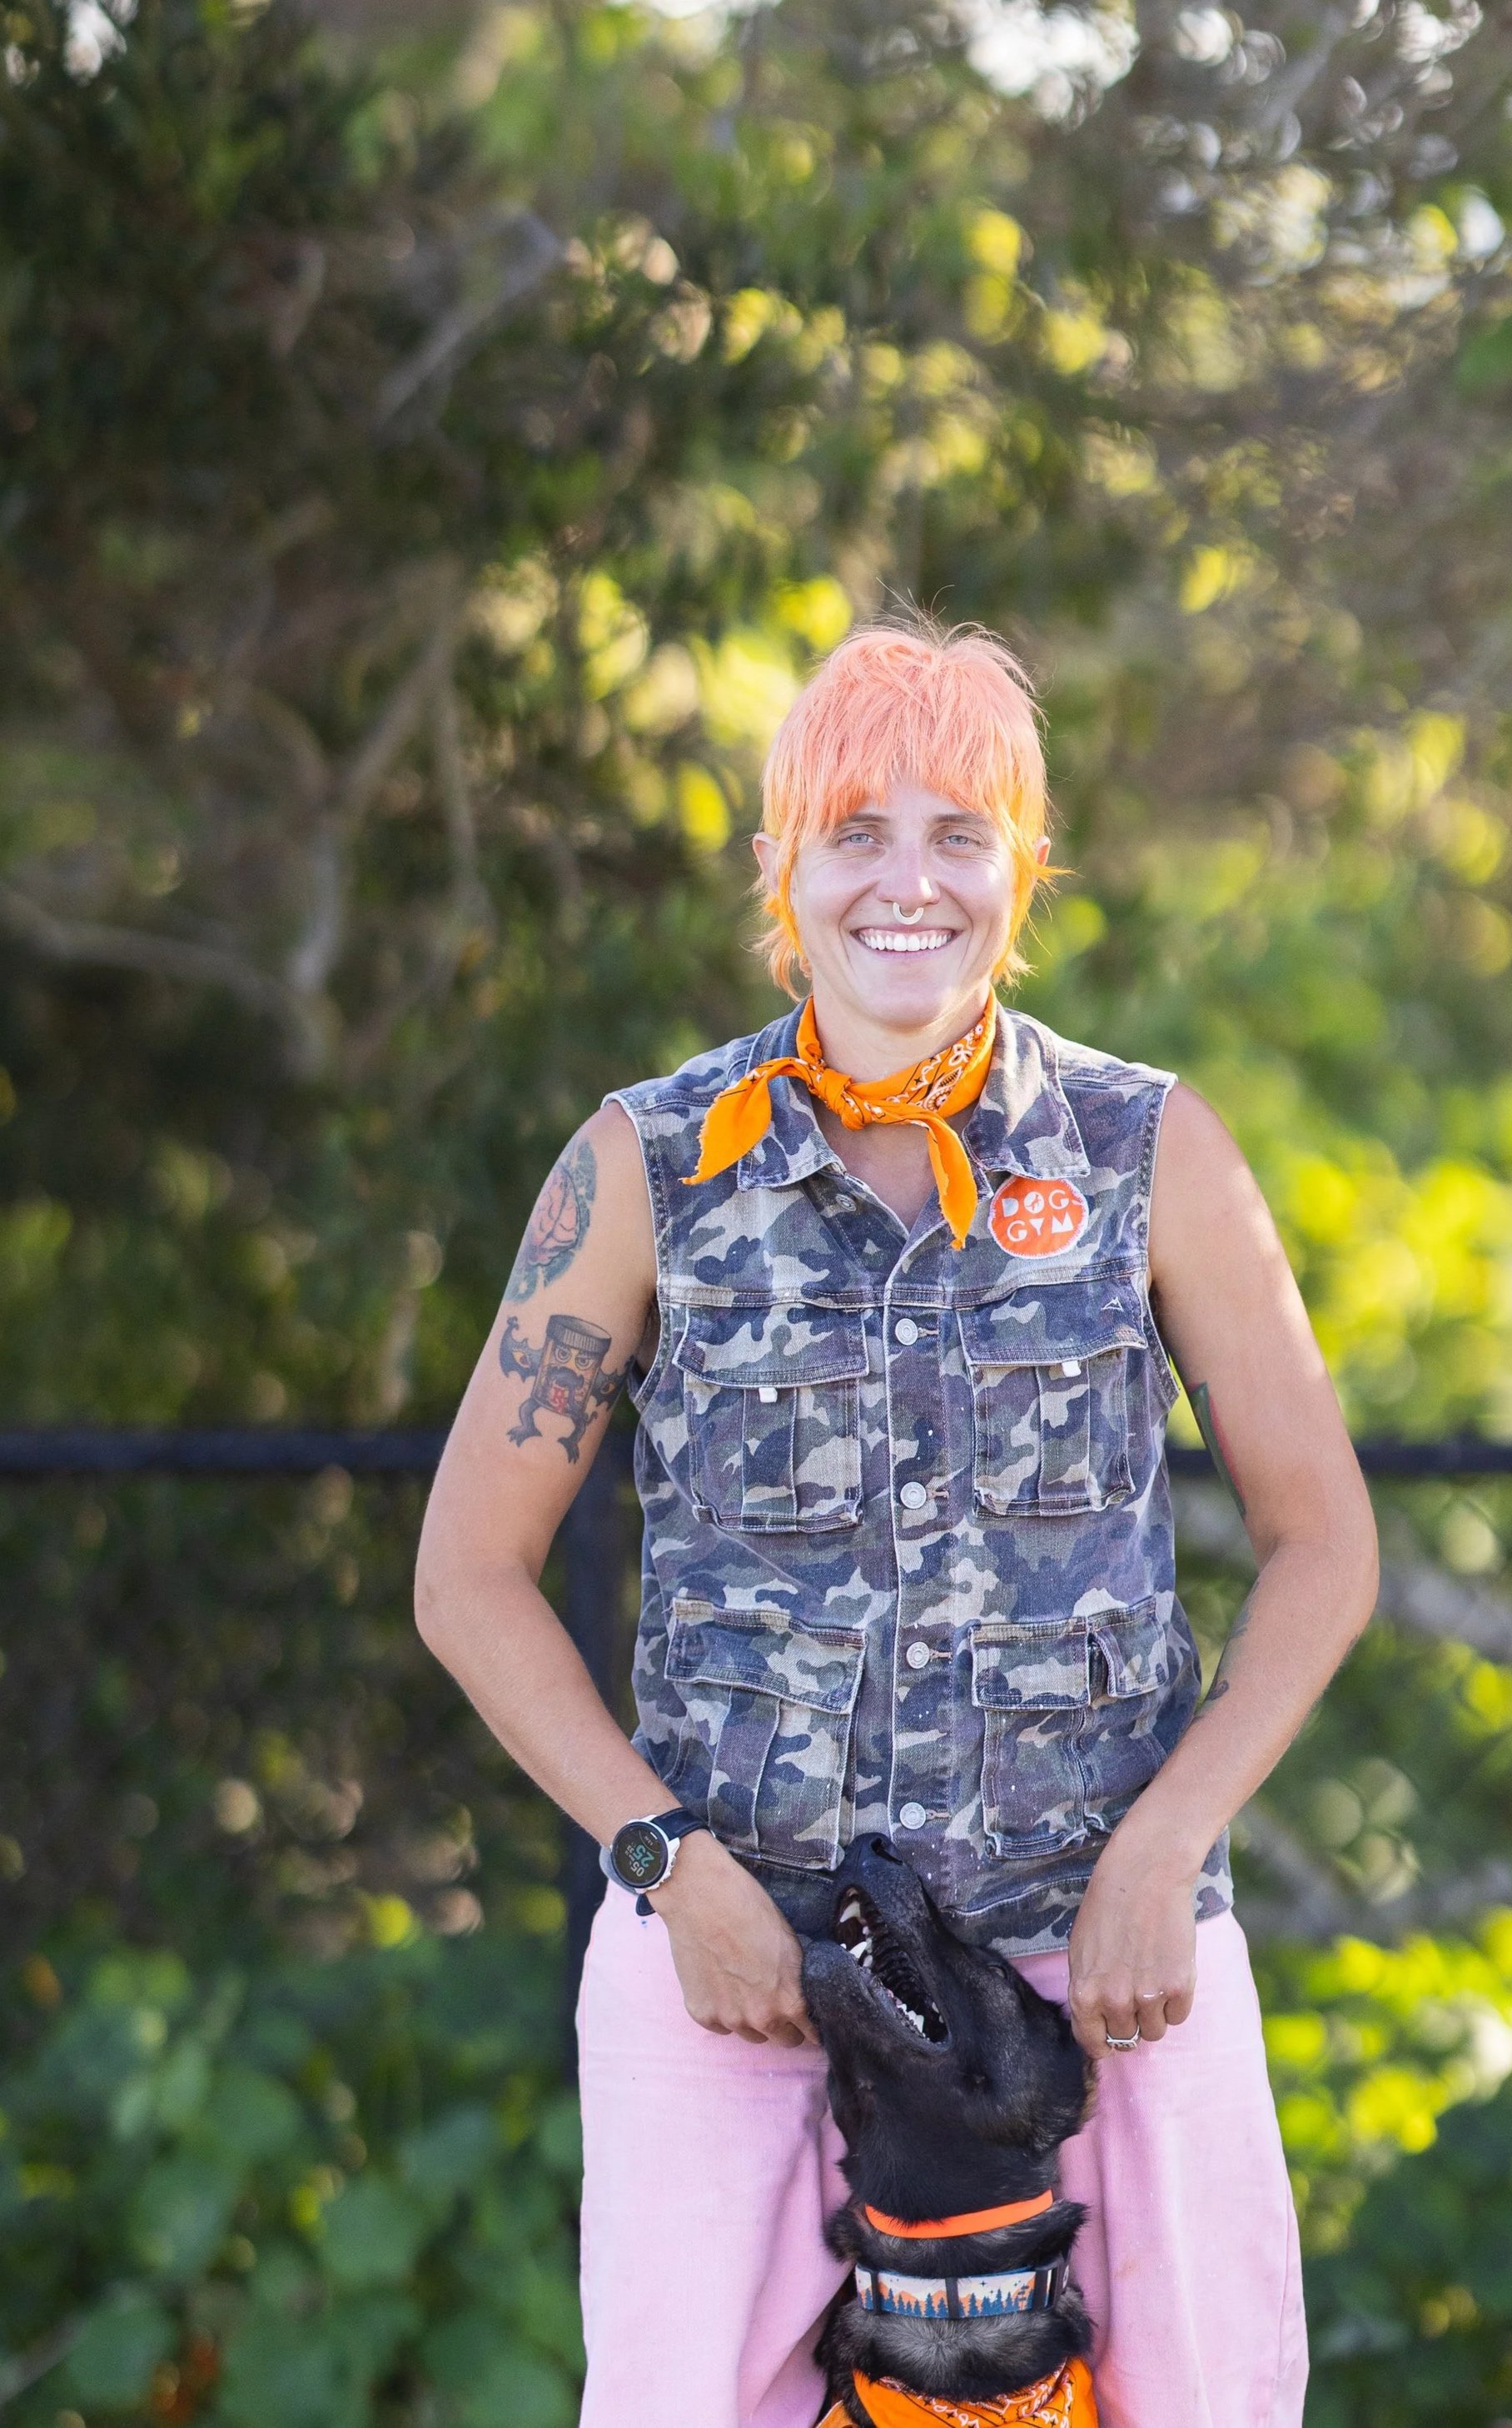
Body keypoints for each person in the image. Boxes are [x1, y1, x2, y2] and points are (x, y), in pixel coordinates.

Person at [415, 621, 1378, 2428]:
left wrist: (1167, 1848)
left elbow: (1324, 1541)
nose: (907, 879)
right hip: (738, 1973)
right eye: (856, 828)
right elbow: (466, 1578)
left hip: (1105, 1981)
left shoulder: (1146, 1150)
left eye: (962, 830)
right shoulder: (644, 1162)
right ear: (782, 866)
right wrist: (666, 1864)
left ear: (1025, 871)